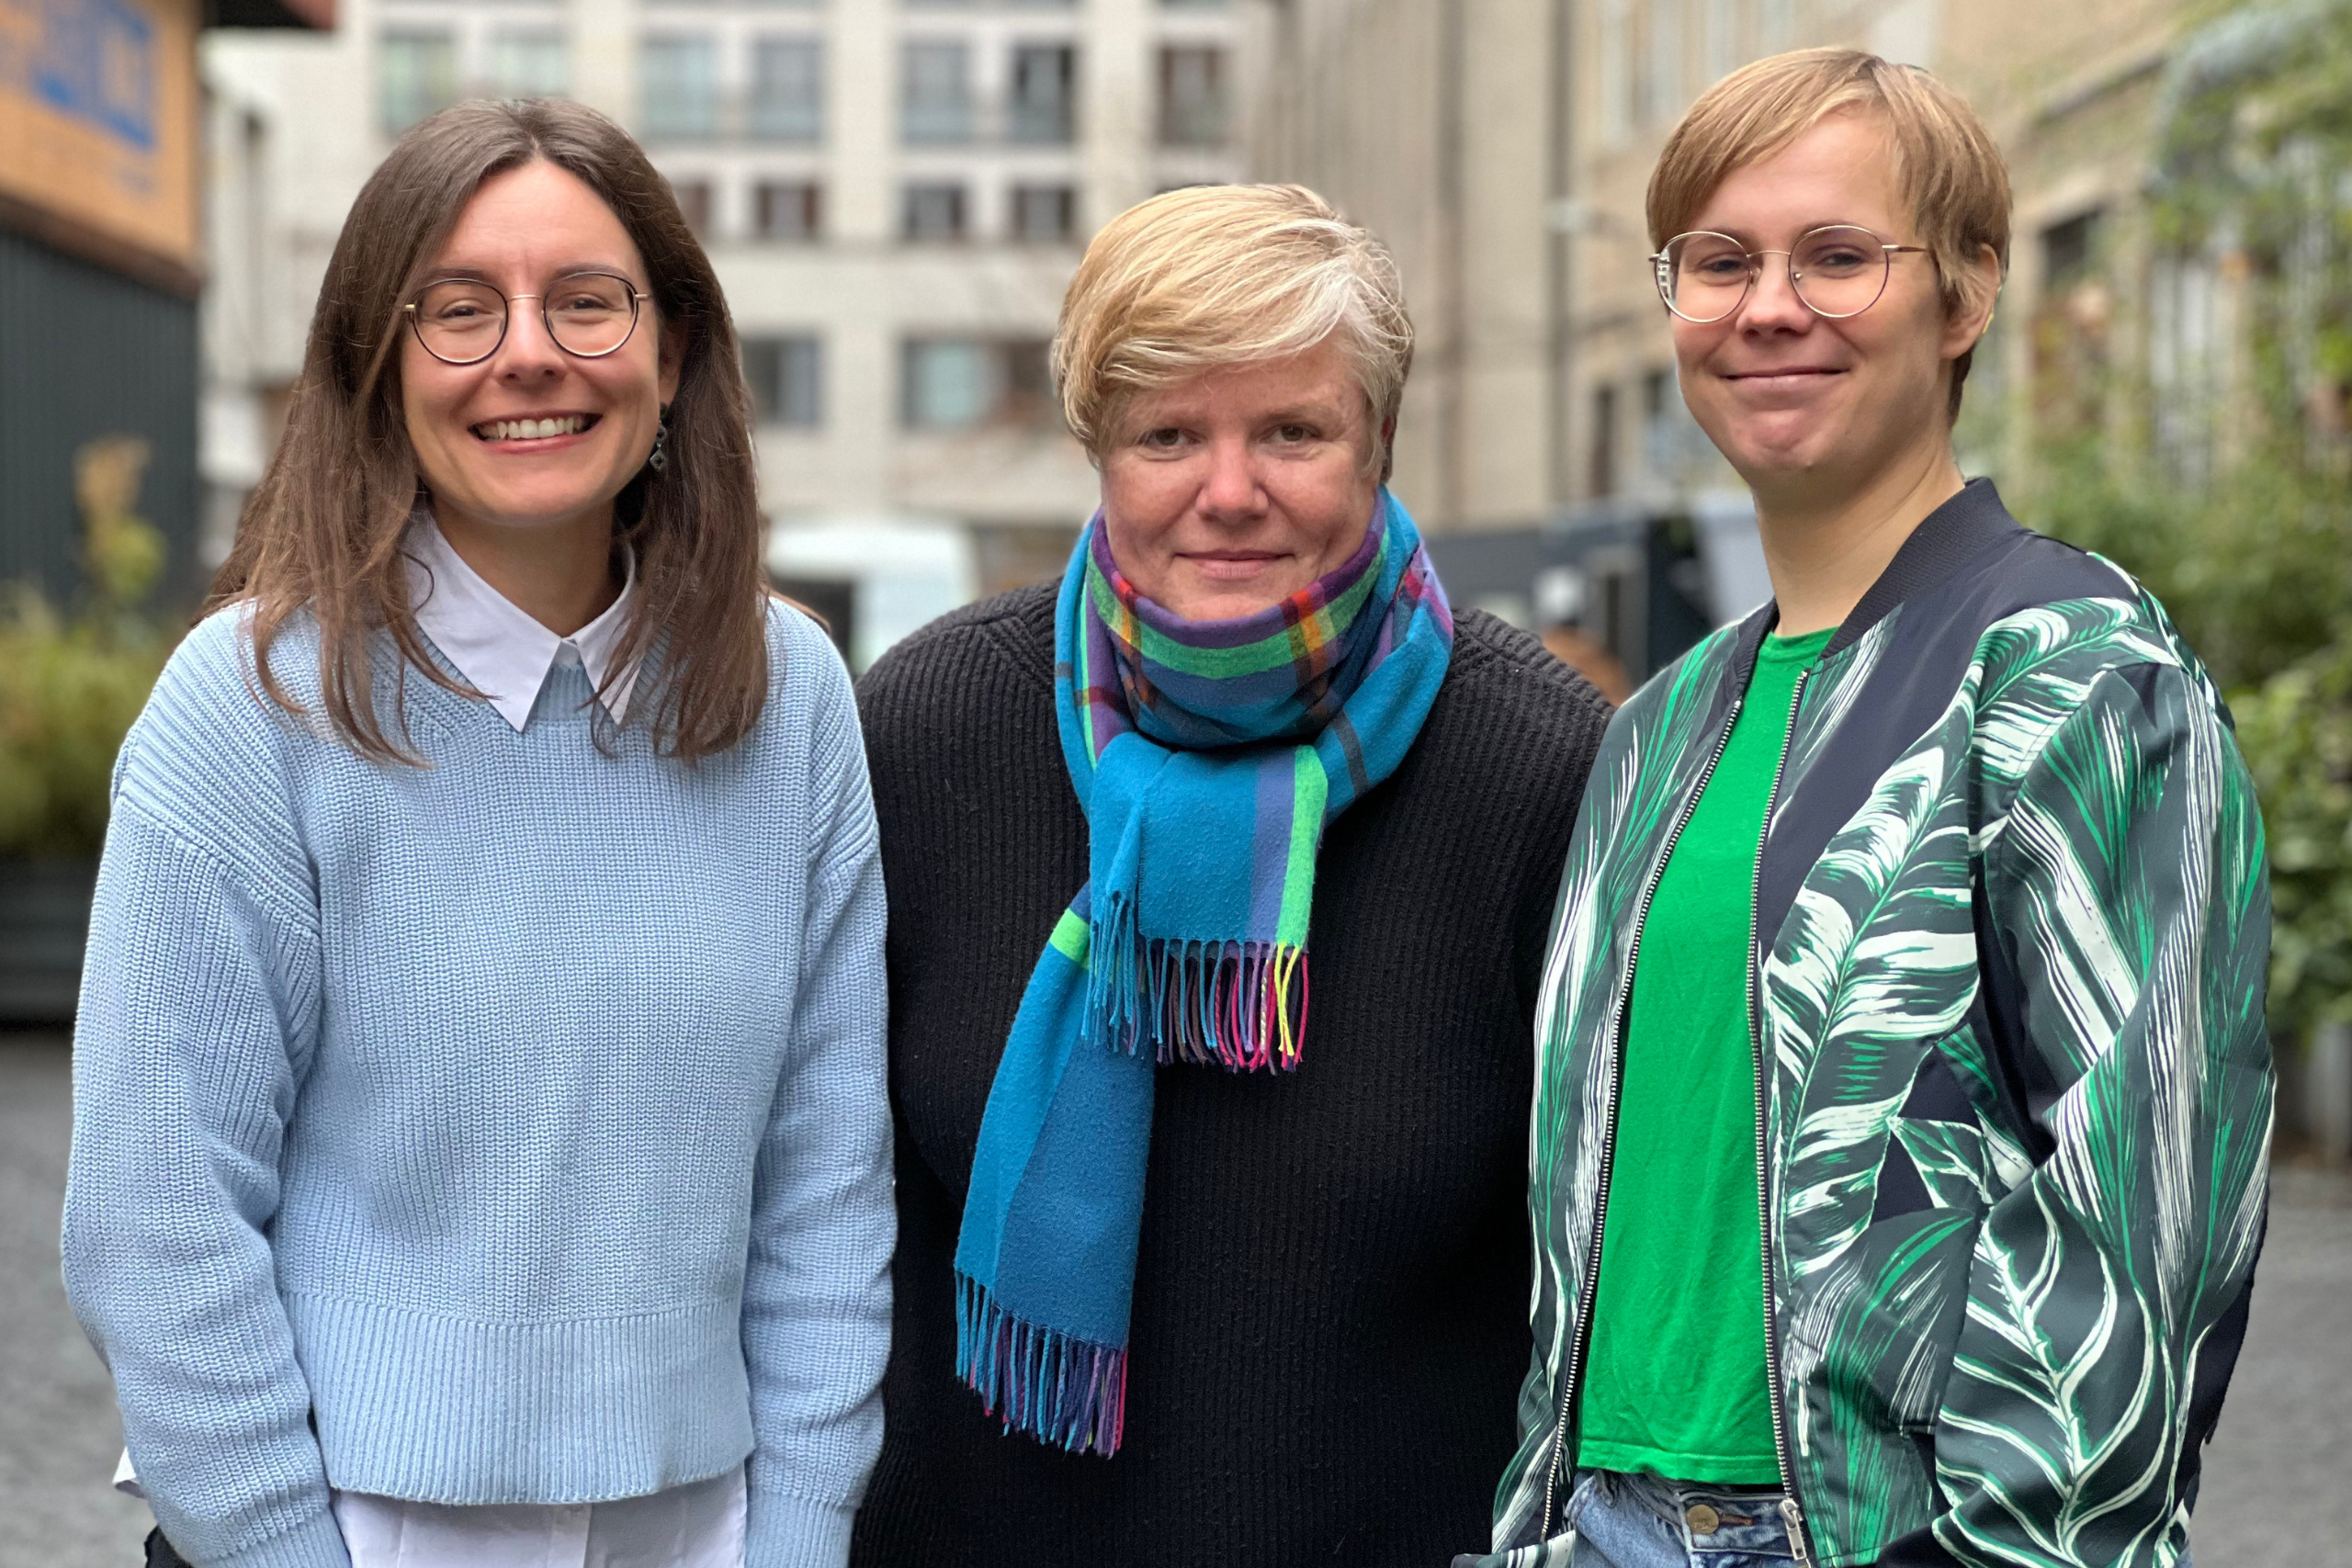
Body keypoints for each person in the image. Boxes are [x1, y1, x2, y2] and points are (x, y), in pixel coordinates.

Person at [1466, 49, 2272, 1568]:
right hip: (1601, 1527)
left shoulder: (2075, 673)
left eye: (1838, 255)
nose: (1770, 306)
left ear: (1967, 295)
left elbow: (2145, 1213)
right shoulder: (1655, 731)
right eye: (1720, 261)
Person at [62, 98, 893, 1568]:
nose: (530, 352)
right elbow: (159, 1218)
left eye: (589, 300)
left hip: (706, 1530)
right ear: (381, 372)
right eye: (459, 309)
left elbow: (825, 1192)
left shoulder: (793, 700)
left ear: (674, 349)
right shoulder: (250, 705)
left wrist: (802, 1541)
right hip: (339, 1532)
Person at [847, 185, 1614, 1566]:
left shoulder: (1539, 768)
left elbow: (1617, 1286)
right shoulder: (926, 736)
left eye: (1293, 431)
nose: (1229, 489)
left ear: (1379, 440)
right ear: (1098, 449)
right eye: (1168, 434)